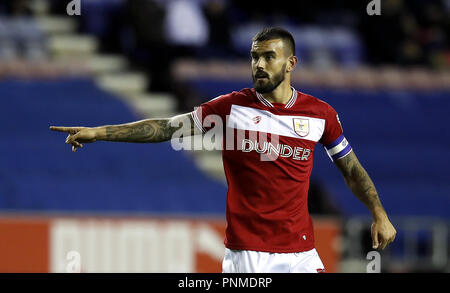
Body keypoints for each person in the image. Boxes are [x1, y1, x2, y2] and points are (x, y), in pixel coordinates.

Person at [50, 27, 396, 273]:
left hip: (301, 252)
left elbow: (351, 169)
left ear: (291, 63)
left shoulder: (320, 115)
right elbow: (167, 128)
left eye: (269, 57)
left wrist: (379, 214)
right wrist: (101, 132)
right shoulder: (231, 109)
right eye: (254, 57)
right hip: (247, 255)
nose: (259, 64)